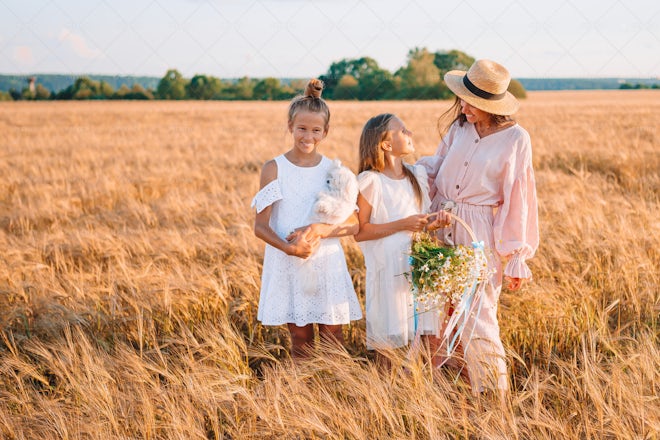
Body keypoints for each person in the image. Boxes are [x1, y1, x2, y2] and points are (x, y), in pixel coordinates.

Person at [417, 59, 539, 396]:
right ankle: (442, 396)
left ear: (494, 105)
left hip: (479, 235)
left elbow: (519, 197)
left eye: (476, 103)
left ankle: (492, 399)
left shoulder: (516, 138)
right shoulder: (459, 128)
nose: (466, 107)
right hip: (441, 226)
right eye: (464, 99)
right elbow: (436, 168)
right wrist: (403, 190)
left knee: (478, 316)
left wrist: (515, 256)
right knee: (436, 315)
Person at [251, 79, 362, 360]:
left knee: (332, 335)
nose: (307, 136)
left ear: (325, 132)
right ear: (290, 126)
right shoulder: (273, 168)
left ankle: (333, 395)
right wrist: (290, 248)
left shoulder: (334, 170)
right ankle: (303, 398)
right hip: (289, 261)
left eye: (315, 130)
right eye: (301, 128)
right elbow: (260, 226)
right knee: (300, 337)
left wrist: (319, 229)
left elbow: (355, 223)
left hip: (326, 261)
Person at [354, 113, 451, 368]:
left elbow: (421, 222)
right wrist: (403, 224)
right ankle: (387, 401)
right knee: (391, 349)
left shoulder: (415, 175)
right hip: (389, 272)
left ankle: (423, 400)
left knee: (426, 343)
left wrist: (434, 223)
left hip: (417, 269)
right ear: (385, 144)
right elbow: (360, 231)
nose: (410, 134)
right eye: (403, 131)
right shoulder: (371, 181)